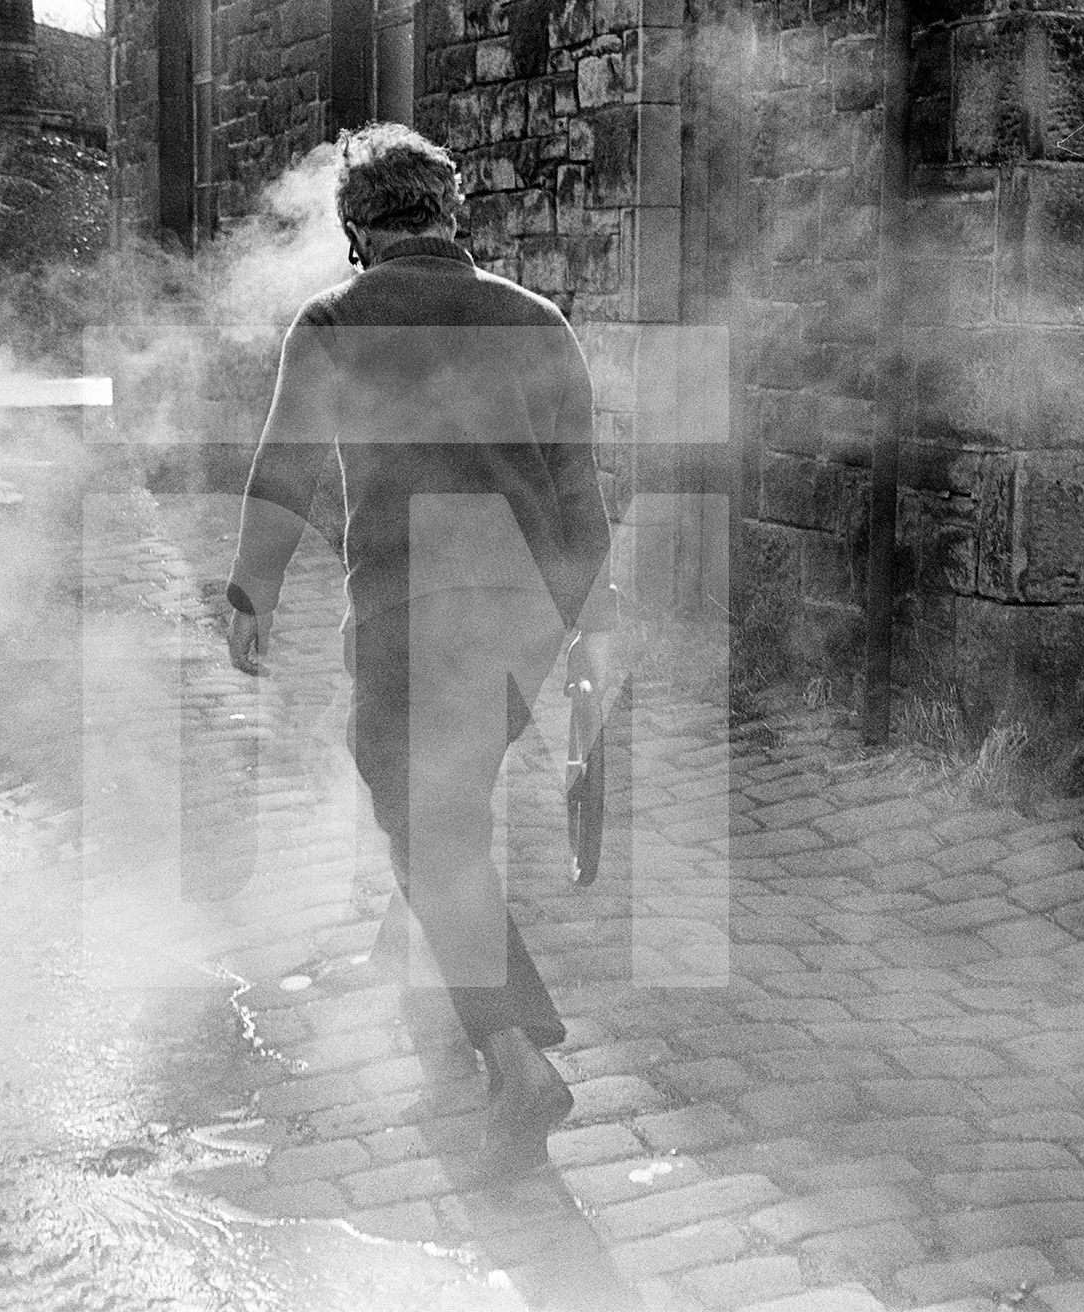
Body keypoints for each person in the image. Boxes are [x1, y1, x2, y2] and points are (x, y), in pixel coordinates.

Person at [224, 122, 616, 1178]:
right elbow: (580, 489)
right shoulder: (536, 319)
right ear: (451, 217)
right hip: (527, 612)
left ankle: (514, 1053)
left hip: (409, 610)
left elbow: (285, 468)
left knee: (427, 826)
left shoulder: (336, 319)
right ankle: (417, 949)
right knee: (447, 797)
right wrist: (592, 624)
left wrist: (248, 591)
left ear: (356, 232)